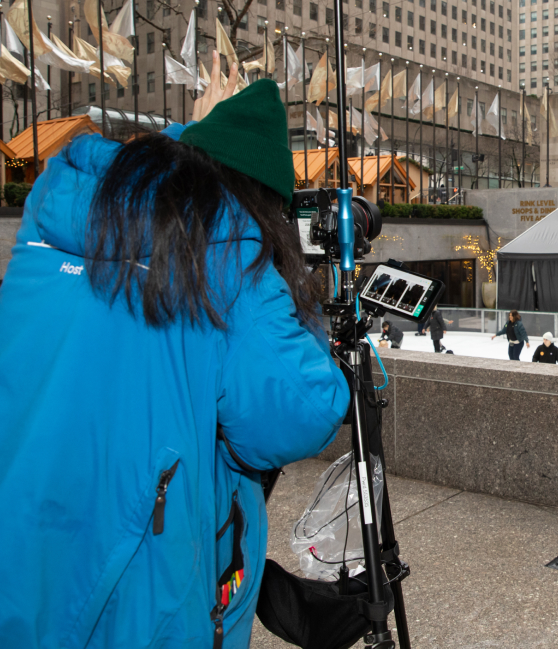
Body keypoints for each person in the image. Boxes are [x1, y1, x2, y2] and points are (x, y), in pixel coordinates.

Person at [0, 61, 350, 648]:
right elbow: (302, 411)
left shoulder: (60, 211)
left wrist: (192, 137)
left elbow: (160, 192)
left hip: (25, 542)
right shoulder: (230, 255)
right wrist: (303, 306)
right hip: (139, 592)